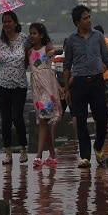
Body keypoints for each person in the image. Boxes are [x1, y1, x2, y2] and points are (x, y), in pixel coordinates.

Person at [63, 5, 108, 168]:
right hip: (79, 84)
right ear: (77, 22)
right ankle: (85, 156)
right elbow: (67, 66)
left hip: (97, 81)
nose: (89, 20)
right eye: (85, 18)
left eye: (89, 17)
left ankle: (98, 147)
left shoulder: (98, 36)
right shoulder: (71, 40)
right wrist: (66, 89)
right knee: (80, 121)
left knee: (102, 117)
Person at [0, 10, 28, 165]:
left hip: (19, 85)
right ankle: (8, 152)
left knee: (17, 116)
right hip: (2, 84)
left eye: (9, 21)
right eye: (4, 22)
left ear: (15, 23)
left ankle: (23, 148)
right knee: (5, 119)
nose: (6, 24)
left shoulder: (24, 39)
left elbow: (29, 59)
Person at [27, 22, 63, 167]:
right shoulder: (29, 51)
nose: (32, 36)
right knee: (44, 121)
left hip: (48, 89)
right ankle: (53, 155)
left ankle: (39, 155)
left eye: (34, 33)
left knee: (43, 121)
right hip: (37, 90)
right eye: (30, 33)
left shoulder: (46, 47)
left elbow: (60, 50)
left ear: (41, 35)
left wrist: (52, 52)